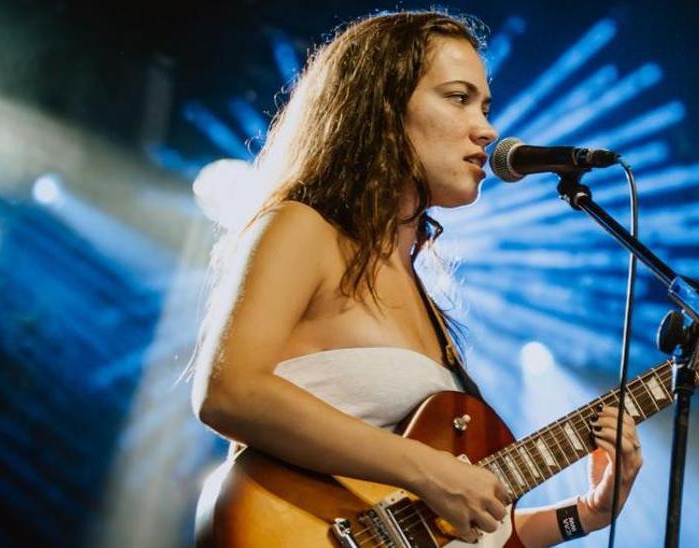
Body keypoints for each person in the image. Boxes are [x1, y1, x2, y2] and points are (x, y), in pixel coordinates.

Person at [189, 10, 642, 546]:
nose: (488, 128)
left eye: (485, 106)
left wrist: (585, 514)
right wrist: (426, 470)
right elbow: (227, 392)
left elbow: (447, 529)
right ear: (382, 107)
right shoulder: (302, 227)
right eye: (458, 97)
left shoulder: (415, 283)